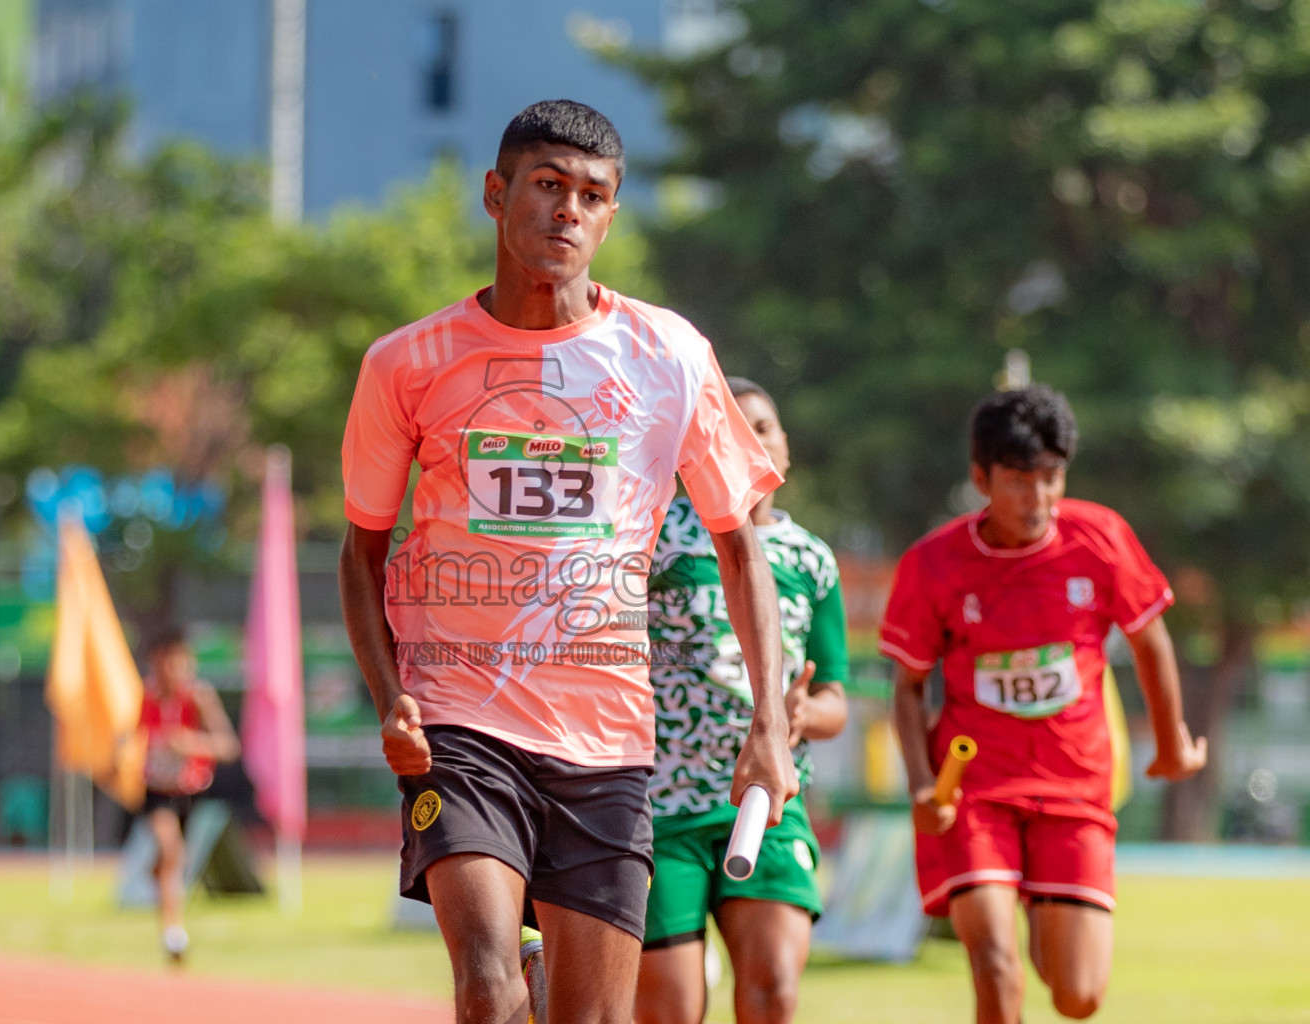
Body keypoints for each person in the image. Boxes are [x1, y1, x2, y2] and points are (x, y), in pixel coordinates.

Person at [339, 99, 799, 1024]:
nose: (568, 212)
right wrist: (390, 693)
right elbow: (362, 552)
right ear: (496, 193)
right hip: (459, 721)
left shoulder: (667, 355)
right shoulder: (408, 364)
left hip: (607, 739)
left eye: (592, 195)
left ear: (612, 215)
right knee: (488, 981)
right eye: (547, 187)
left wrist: (773, 726)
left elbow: (739, 543)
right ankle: (517, 984)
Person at [880, 385, 1207, 1023]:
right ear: (981, 478)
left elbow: (1152, 643)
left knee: (1077, 995)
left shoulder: (1101, 538)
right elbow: (909, 686)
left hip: (1075, 787)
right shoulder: (933, 565)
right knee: (995, 965)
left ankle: (1043, 904)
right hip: (975, 791)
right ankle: (1013, 902)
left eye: (1052, 478)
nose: (1039, 499)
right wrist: (923, 784)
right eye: (1019, 481)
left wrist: (1171, 746)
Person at [636, 378, 850, 1024]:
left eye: (766, 428)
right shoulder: (653, 538)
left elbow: (834, 699)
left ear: (784, 450)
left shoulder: (811, 559)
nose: (753, 442)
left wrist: (800, 713)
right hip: (659, 807)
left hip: (767, 803)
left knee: (774, 990)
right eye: (735, 429)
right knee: (670, 1010)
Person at [138, 626, 240, 963]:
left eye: (178, 663)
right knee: (172, 851)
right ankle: (173, 933)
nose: (170, 671)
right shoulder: (143, 697)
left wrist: (192, 743)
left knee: (170, 861)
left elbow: (228, 747)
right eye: (163, 663)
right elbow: (125, 736)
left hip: (190, 791)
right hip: (155, 790)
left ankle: (158, 871)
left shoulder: (198, 697)